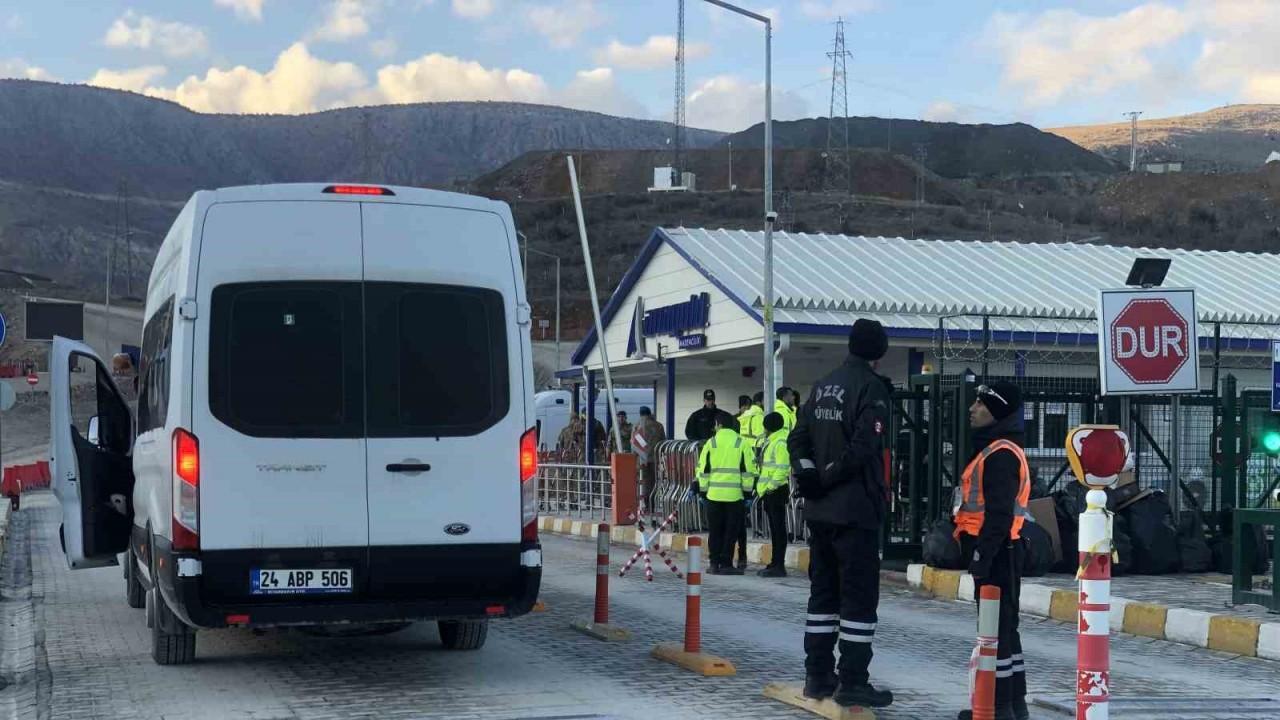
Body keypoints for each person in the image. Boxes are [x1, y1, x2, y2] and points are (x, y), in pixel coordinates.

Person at [788, 319, 894, 709]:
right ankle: (852, 680)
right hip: (855, 512)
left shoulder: (822, 385)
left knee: (823, 596)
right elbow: (865, 447)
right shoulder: (871, 388)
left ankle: (817, 676)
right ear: (878, 352)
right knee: (858, 601)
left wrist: (810, 474)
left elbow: (797, 437)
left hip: (820, 513)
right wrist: (829, 476)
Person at [955, 382, 1031, 720]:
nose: (972, 408)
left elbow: (998, 514)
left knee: (994, 634)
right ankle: (1013, 705)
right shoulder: (999, 449)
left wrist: (980, 556)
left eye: (981, 404)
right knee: (1005, 631)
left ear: (996, 411)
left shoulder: (1000, 454)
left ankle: (996, 708)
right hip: (1003, 549)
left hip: (996, 552)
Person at [695, 415, 757, 575]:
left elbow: (703, 470)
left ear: (719, 425)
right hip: (734, 496)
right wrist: (747, 493)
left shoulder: (711, 442)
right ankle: (726, 563)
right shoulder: (741, 443)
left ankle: (714, 563)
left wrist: (703, 491)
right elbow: (748, 471)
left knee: (715, 531)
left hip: (713, 495)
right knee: (731, 531)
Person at [756, 411, 791, 578]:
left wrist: (770, 487)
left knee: (778, 530)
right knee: (775, 530)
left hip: (775, 491)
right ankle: (775, 562)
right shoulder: (774, 440)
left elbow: (783, 468)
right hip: (771, 491)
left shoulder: (780, 442)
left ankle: (779, 565)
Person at [631, 407, 667, 512]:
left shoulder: (636, 426)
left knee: (642, 482)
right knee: (653, 482)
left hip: (641, 460)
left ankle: (642, 505)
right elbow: (663, 443)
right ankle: (651, 505)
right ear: (650, 413)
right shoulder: (658, 426)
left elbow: (634, 445)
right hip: (655, 459)